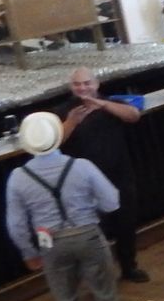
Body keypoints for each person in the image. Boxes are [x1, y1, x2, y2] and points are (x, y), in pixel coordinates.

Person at [4, 111, 137, 301]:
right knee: (106, 295)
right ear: (57, 136)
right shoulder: (81, 167)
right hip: (88, 236)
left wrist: (29, 253)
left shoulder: (18, 179)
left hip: (51, 243)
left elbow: (16, 224)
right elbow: (111, 201)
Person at [59, 67, 147, 282]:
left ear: (96, 84)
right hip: (84, 185)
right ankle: (100, 277)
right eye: (77, 84)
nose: (83, 88)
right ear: (72, 87)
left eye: (87, 83)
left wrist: (103, 105)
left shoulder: (111, 104)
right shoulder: (64, 111)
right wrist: (72, 122)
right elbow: (55, 141)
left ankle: (129, 268)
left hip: (120, 177)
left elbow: (133, 116)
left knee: (125, 224)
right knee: (95, 232)